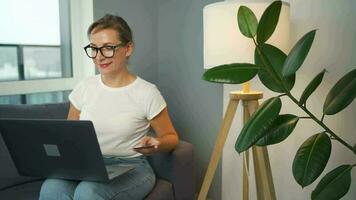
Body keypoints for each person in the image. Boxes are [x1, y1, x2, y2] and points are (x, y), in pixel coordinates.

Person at [39, 14, 179, 200]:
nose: (99, 57)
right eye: (94, 49)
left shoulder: (147, 92)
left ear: (128, 48)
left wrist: (158, 144)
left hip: (132, 166)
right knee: (52, 187)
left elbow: (171, 137)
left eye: (108, 48)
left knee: (88, 192)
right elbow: (69, 135)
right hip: (88, 165)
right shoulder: (84, 87)